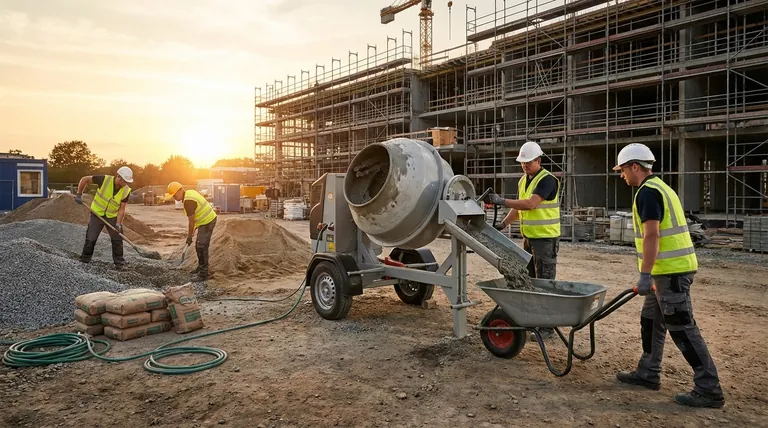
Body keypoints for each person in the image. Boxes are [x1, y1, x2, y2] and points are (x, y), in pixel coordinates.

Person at [612, 143, 724, 408]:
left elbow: (652, 234)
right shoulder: (660, 187)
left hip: (672, 273)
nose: (621, 175)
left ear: (635, 166)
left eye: (623, 170)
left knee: (682, 328)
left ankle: (709, 388)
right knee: (651, 319)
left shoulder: (647, 193)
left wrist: (644, 274)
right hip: (666, 272)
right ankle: (648, 373)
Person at [484, 141, 560, 339]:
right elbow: (517, 209)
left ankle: (546, 328)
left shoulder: (547, 180)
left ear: (538, 160)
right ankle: (533, 321)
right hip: (529, 240)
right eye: (522, 162)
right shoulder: (523, 180)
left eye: (528, 162)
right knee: (530, 282)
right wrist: (503, 224)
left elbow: (530, 204)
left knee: (544, 283)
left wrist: (501, 201)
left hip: (545, 240)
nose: (525, 165)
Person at [75, 166, 134, 270]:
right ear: (118, 177)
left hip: (112, 217)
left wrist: (118, 224)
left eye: (127, 181)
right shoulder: (104, 180)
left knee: (117, 239)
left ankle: (119, 263)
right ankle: (85, 260)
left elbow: (122, 209)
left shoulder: (126, 190)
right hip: (96, 213)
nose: (126, 183)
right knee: (91, 238)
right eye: (124, 180)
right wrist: (79, 194)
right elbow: (85, 179)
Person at [167, 181, 217, 281]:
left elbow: (191, 222)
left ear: (180, 190)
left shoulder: (188, 201)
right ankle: (201, 268)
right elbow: (194, 220)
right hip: (204, 222)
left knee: (202, 246)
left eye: (175, 195)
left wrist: (189, 237)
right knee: (198, 246)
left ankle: (203, 274)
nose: (174, 198)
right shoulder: (189, 193)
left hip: (207, 221)